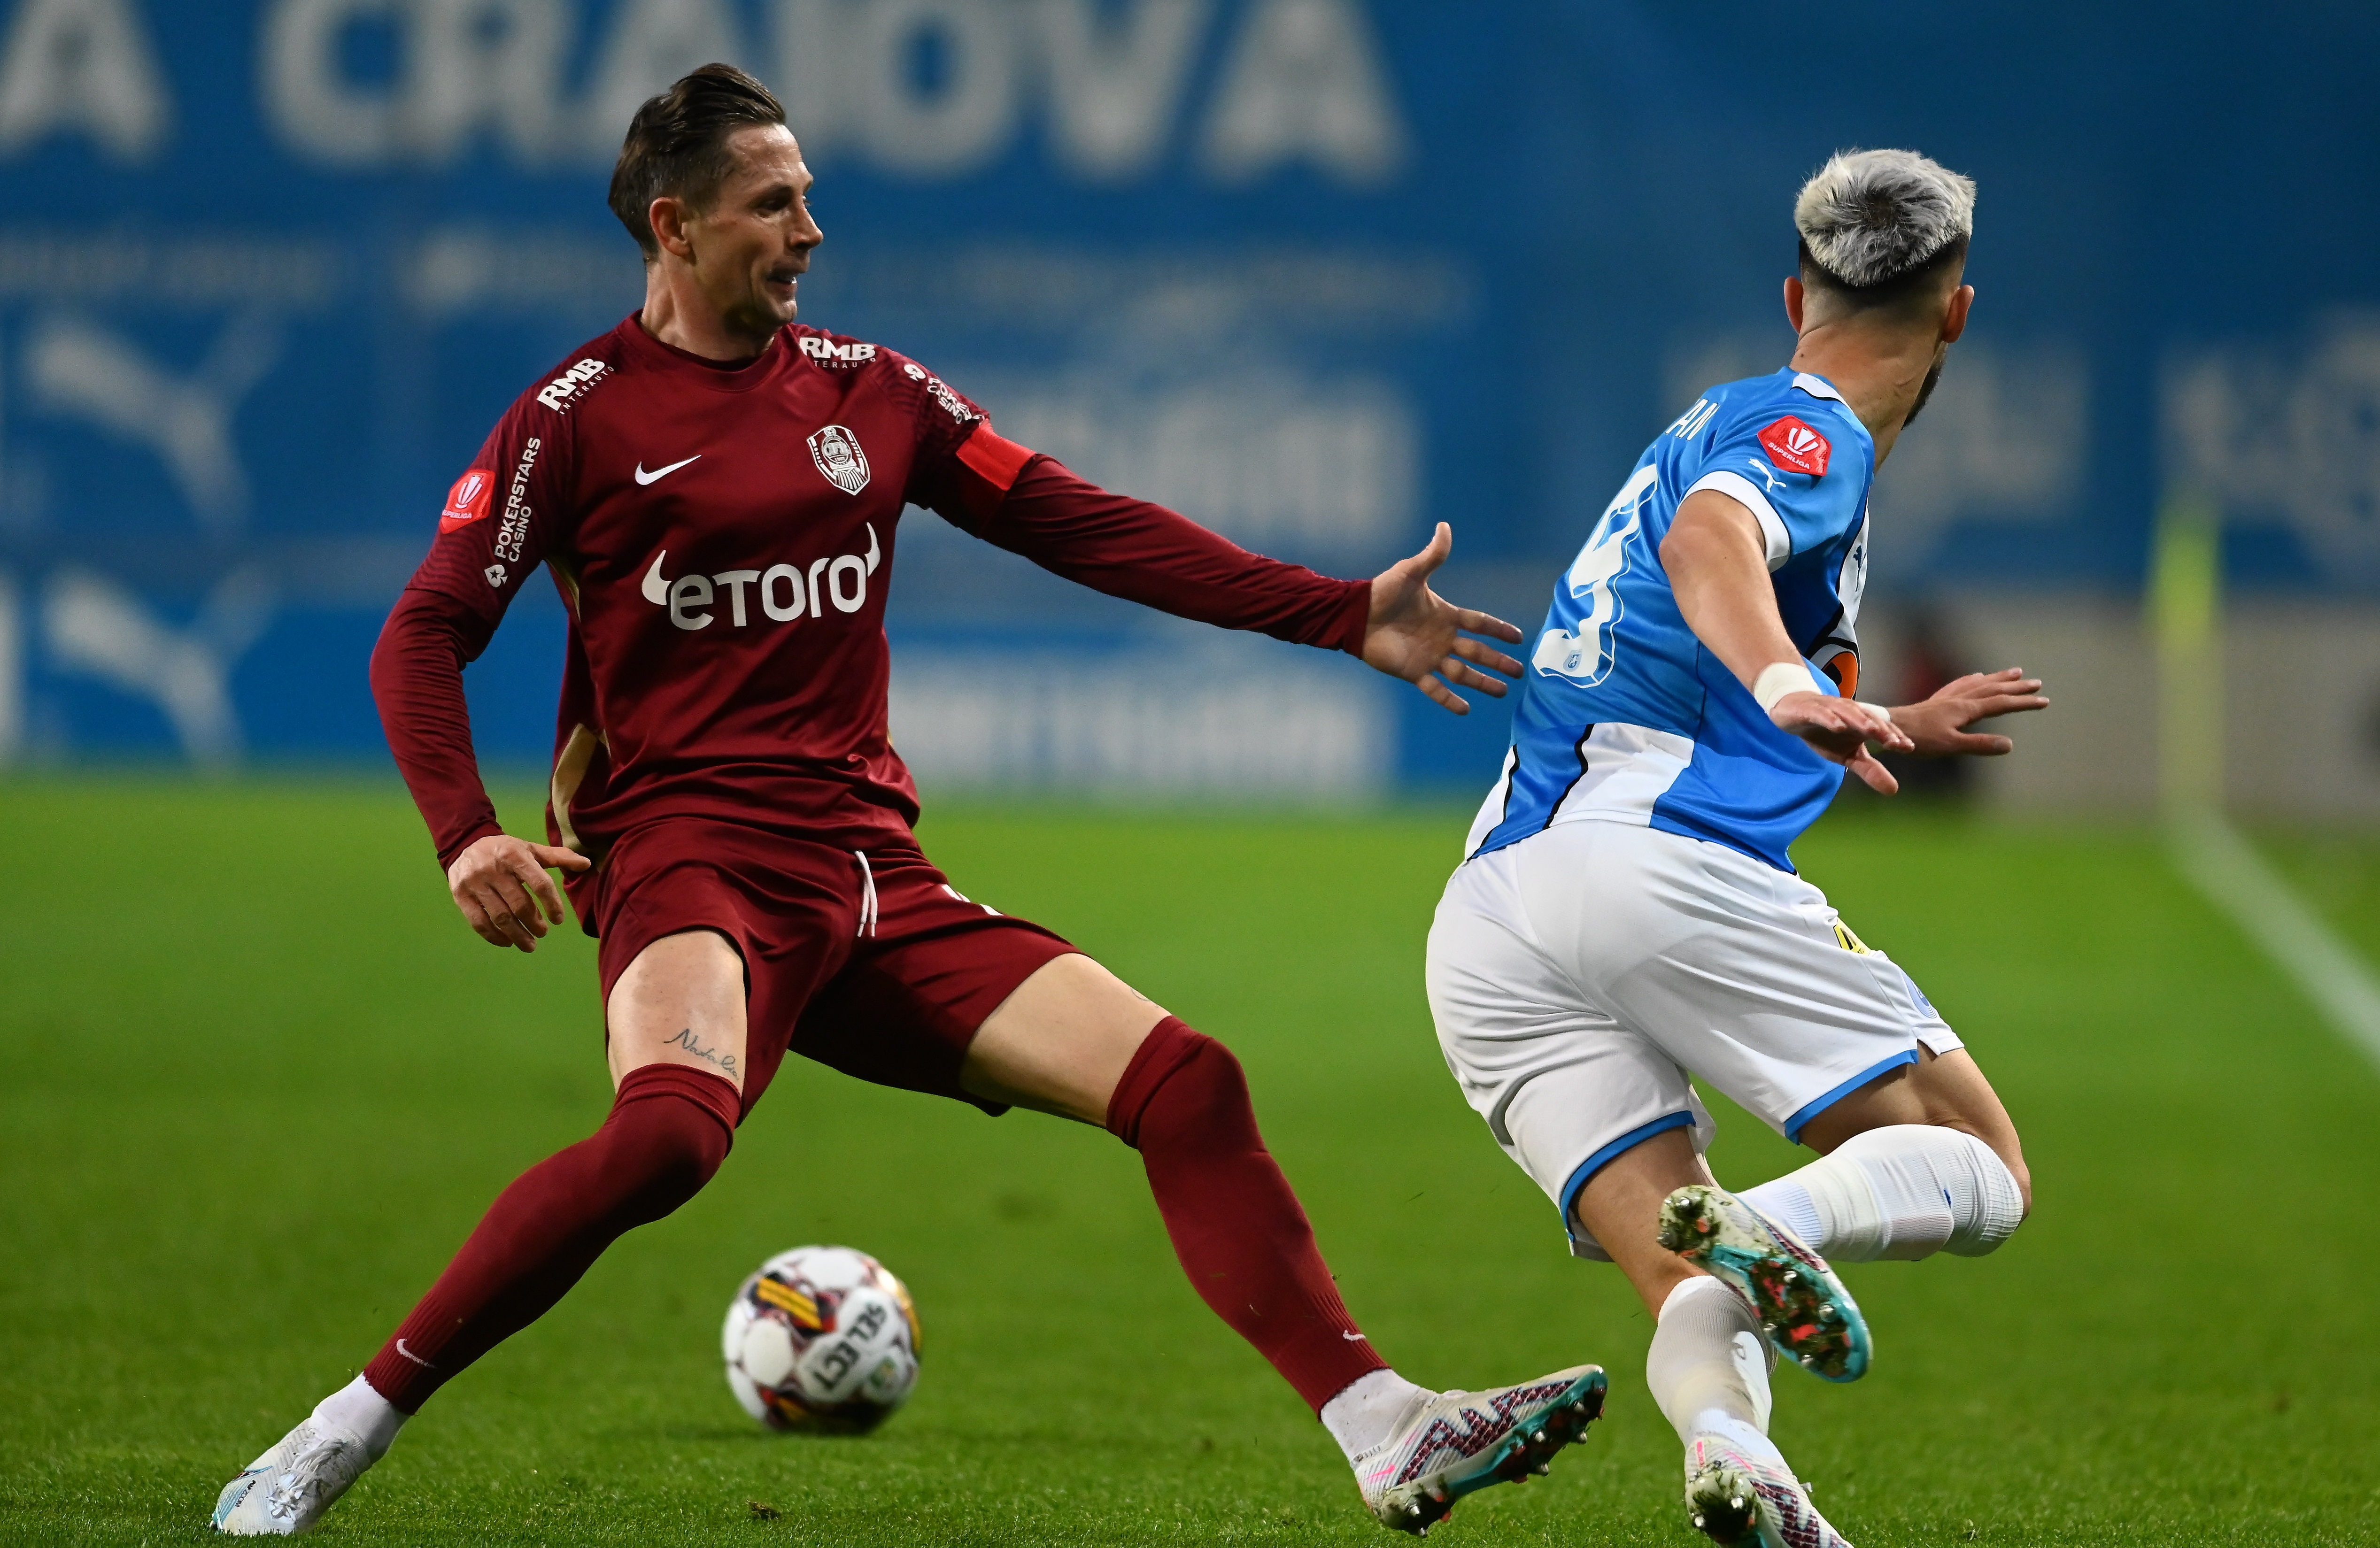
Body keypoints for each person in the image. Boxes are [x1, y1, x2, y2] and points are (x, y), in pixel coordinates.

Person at [212, 64, 1604, 1539]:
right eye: (775, 203)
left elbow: (1075, 519)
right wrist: (467, 830)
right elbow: (421, 629)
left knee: (1187, 1081)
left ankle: (1385, 1429)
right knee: (669, 1143)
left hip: (871, 876)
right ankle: (343, 1427)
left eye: (809, 195)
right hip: (693, 863)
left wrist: (1335, 613)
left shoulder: (872, 390)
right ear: (675, 228)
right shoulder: (579, 418)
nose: (811, 228)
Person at [1424, 149, 2048, 1548]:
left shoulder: (1726, 410)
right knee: (1981, 1165)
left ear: (1792, 292)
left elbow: (1696, 574)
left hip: (1490, 915)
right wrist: (1788, 686)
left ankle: (1735, 1455)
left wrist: (1863, 705)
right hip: (1648, 862)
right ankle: (1763, 1220)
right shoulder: (1807, 427)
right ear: (1955, 314)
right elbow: (1715, 543)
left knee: (1678, 1264)